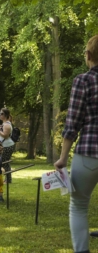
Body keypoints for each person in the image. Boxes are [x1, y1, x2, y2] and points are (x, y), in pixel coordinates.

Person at [54, 35, 98, 253]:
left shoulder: (83, 80)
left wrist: (63, 157)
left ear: (88, 55)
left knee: (79, 205)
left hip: (89, 152)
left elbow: (72, 123)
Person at [0, 108, 15, 184]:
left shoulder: (7, 125)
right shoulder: (4, 124)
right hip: (5, 145)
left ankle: (8, 180)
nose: (0, 115)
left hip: (7, 146)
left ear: (6, 115)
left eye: (1, 114)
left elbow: (5, 136)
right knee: (5, 163)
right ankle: (7, 179)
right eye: (0, 113)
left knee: (5, 163)